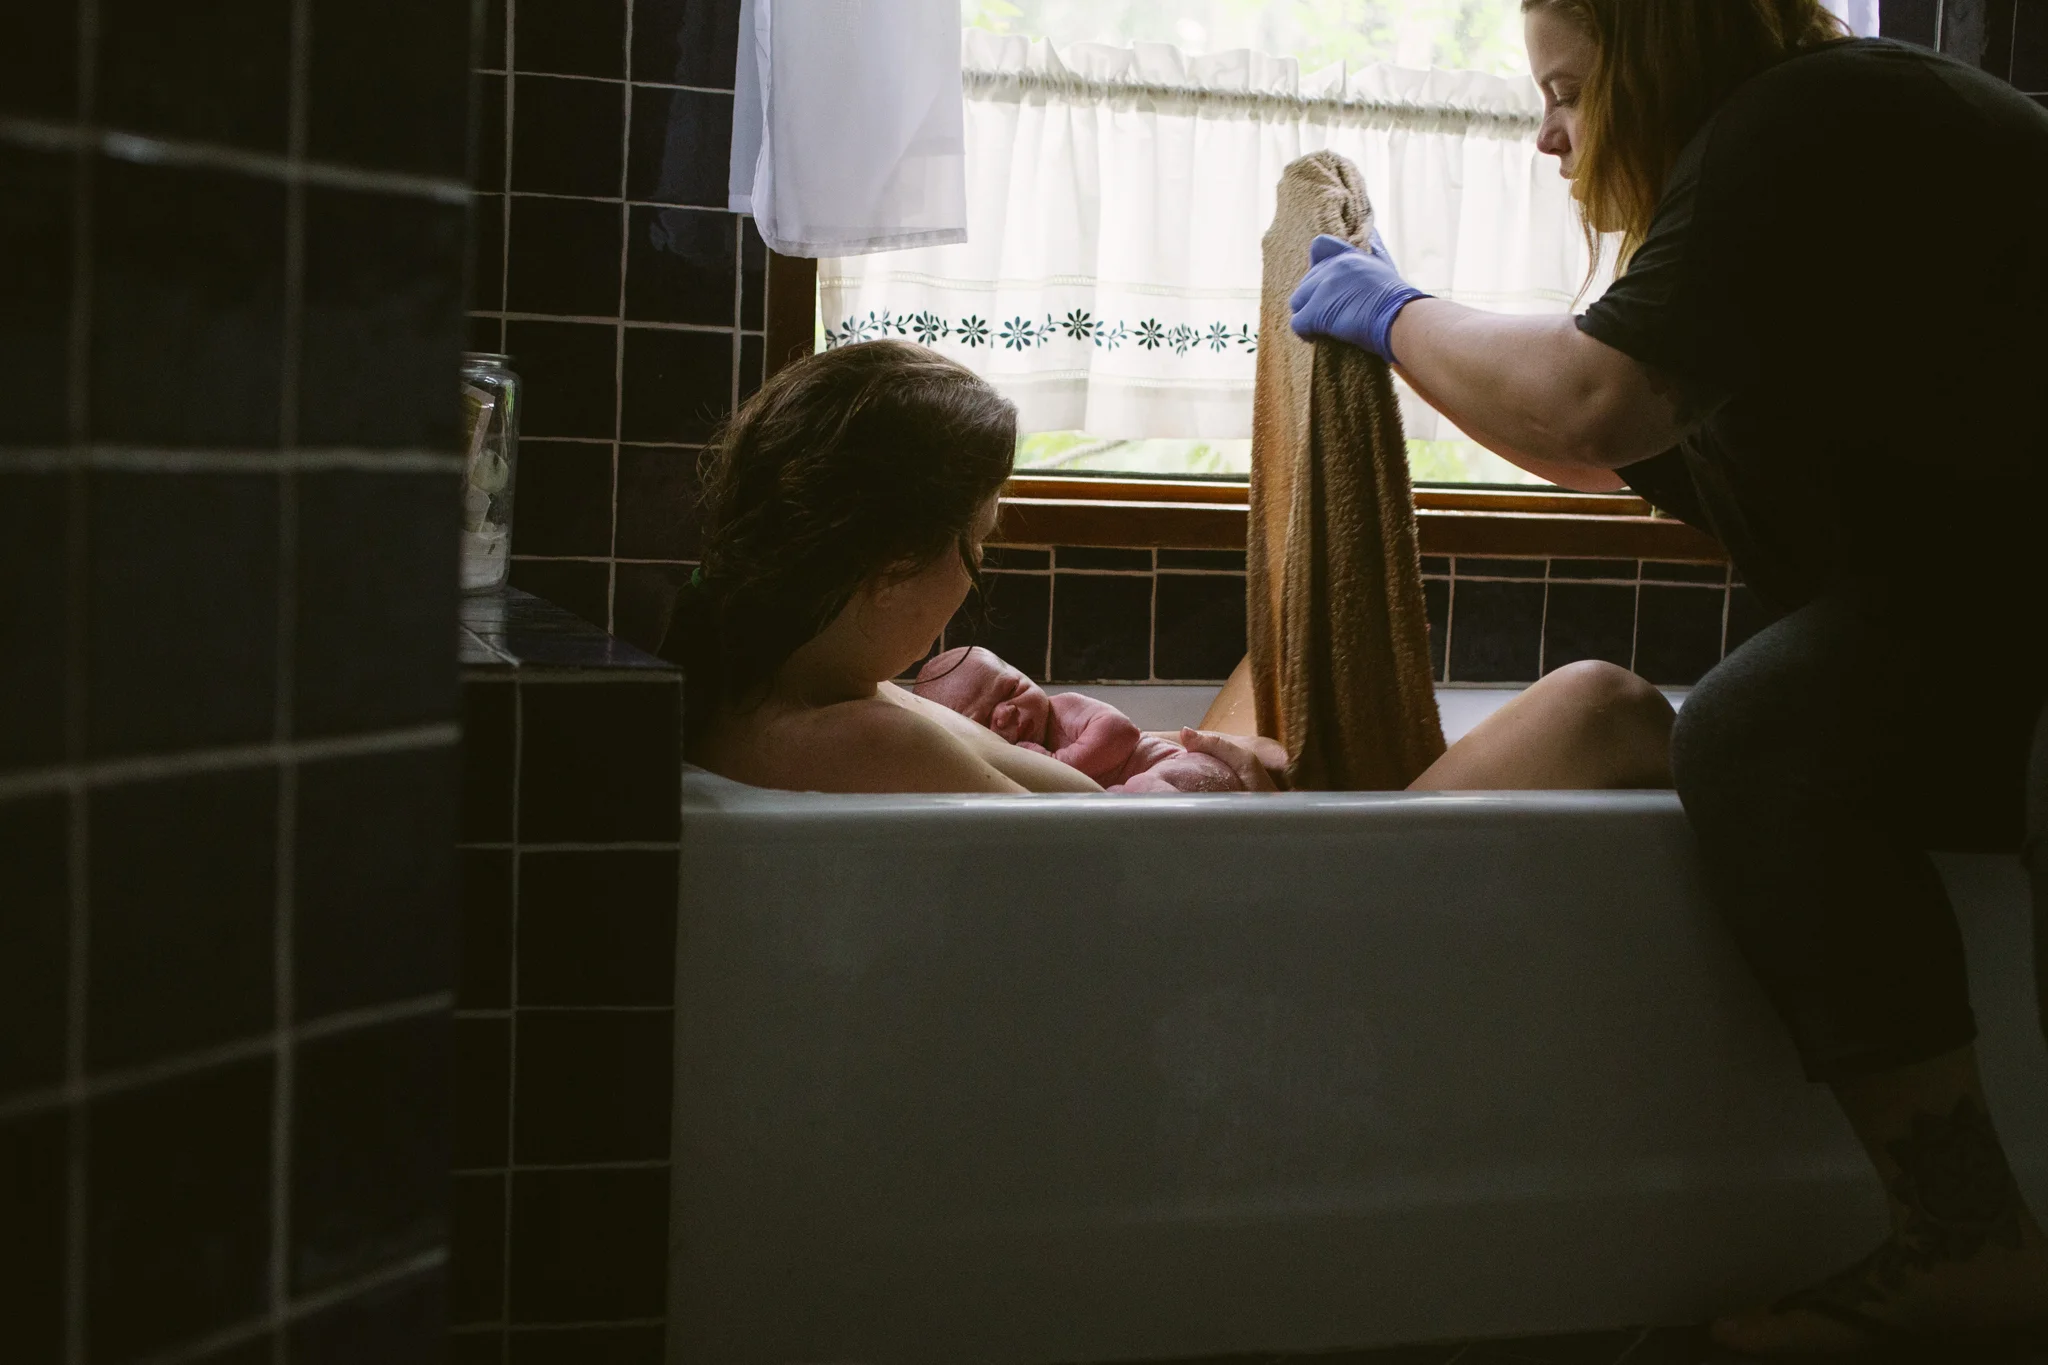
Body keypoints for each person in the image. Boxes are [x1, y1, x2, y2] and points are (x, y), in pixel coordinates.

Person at [1287, 0, 2048, 1354]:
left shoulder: (1807, 116)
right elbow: (1595, 443)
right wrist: (1401, 326)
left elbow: (1589, 402)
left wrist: (1394, 313)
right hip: (1993, 621)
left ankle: (1965, 1239)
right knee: (1730, 729)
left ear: (1656, 52)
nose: (1548, 137)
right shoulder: (1792, 185)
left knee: (1757, 731)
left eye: (1567, 91)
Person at [661, 338, 1674, 796]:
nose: (971, 585)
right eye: (980, 544)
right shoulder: (862, 736)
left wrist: (1165, 753)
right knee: (1601, 704)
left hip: (1188, 862)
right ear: (891, 567)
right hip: (1271, 926)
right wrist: (1210, 779)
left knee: (1277, 663)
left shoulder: (771, 688)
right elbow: (1118, 877)